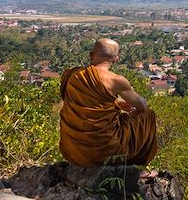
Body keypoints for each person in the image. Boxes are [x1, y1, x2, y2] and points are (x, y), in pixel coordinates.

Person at [59, 38, 158, 167]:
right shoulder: (116, 80)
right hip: (105, 152)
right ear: (116, 58)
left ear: (91, 54)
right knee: (148, 115)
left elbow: (87, 102)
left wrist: (117, 102)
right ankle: (137, 166)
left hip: (73, 152)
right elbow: (141, 105)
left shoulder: (73, 75)